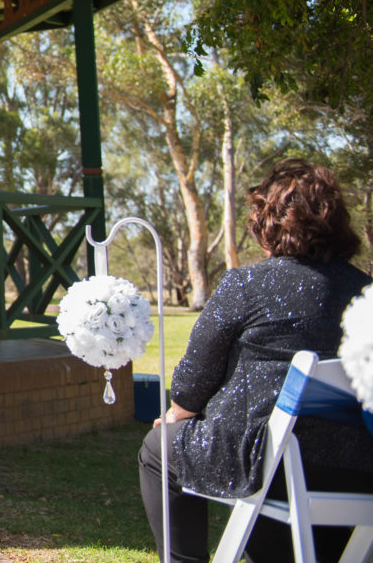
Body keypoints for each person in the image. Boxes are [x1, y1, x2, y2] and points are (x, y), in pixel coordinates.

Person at [138, 159, 373, 563]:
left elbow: (191, 387)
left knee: (160, 446)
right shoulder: (367, 294)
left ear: (270, 223)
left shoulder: (247, 284)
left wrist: (177, 414)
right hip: (358, 470)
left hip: (264, 462)